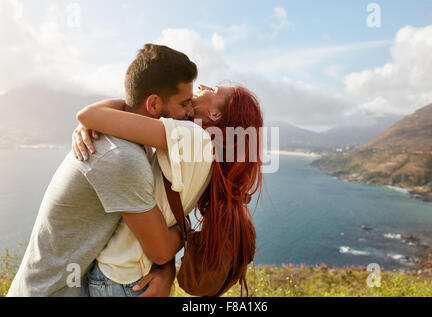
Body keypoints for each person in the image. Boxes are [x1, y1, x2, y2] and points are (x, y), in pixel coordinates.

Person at [7, 44, 198, 297]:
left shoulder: (135, 142)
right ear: (153, 104)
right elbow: (160, 250)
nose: (190, 112)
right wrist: (186, 228)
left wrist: (165, 272)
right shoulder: (122, 156)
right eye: (184, 103)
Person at [72, 83, 264, 297]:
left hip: (118, 276)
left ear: (215, 114)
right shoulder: (208, 153)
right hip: (134, 275)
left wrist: (93, 124)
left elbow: (89, 114)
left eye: (213, 90)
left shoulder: (193, 137)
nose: (201, 86)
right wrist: (98, 124)